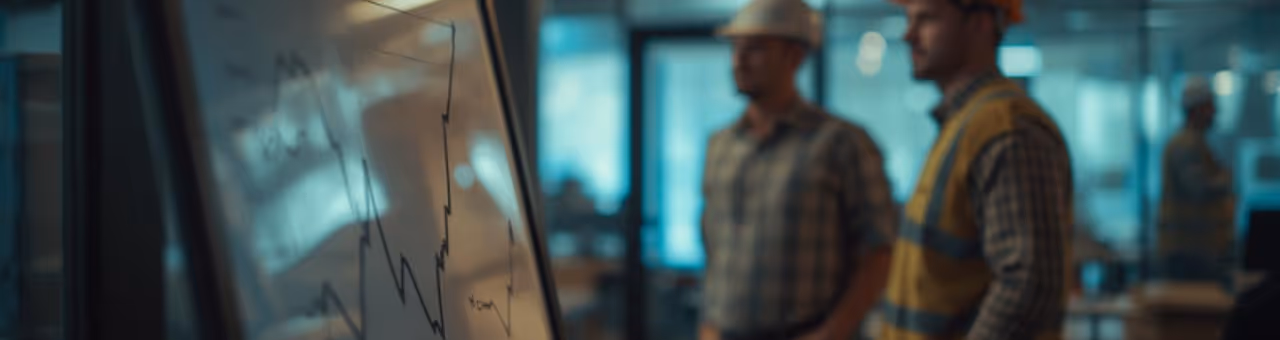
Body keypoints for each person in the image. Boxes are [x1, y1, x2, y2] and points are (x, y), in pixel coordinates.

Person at [698, 0, 897, 339]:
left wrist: (835, 331)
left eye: (756, 48)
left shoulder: (840, 143)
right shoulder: (721, 144)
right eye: (735, 48)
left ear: (795, 56)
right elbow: (714, 242)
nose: (738, 60)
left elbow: (881, 249)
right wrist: (709, 324)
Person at [881, 0, 1075, 339]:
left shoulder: (1006, 127)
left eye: (927, 19)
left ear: (981, 24)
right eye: (909, 20)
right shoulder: (965, 123)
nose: (908, 35)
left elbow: (1028, 287)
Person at [1156, 76, 1236, 285]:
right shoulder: (1186, 145)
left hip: (1197, 249)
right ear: (1197, 109)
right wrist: (1225, 180)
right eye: (1210, 107)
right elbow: (1198, 189)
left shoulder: (1195, 143)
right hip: (1189, 250)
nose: (1214, 113)